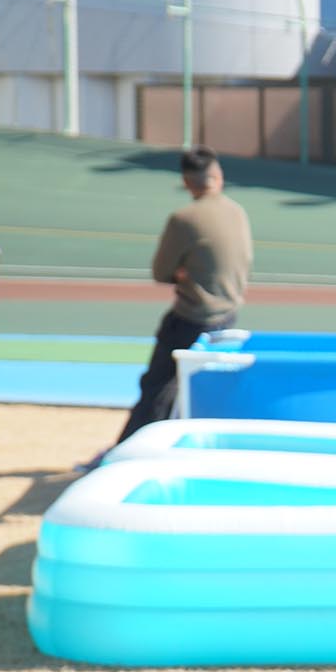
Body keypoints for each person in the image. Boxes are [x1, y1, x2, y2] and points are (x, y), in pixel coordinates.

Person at [111, 145, 253, 446]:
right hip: (228, 316)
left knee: (157, 388)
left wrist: (182, 273)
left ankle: (129, 449)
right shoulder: (237, 212)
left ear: (187, 182)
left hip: (193, 317)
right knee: (203, 391)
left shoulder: (184, 219)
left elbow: (161, 271)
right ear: (219, 177)